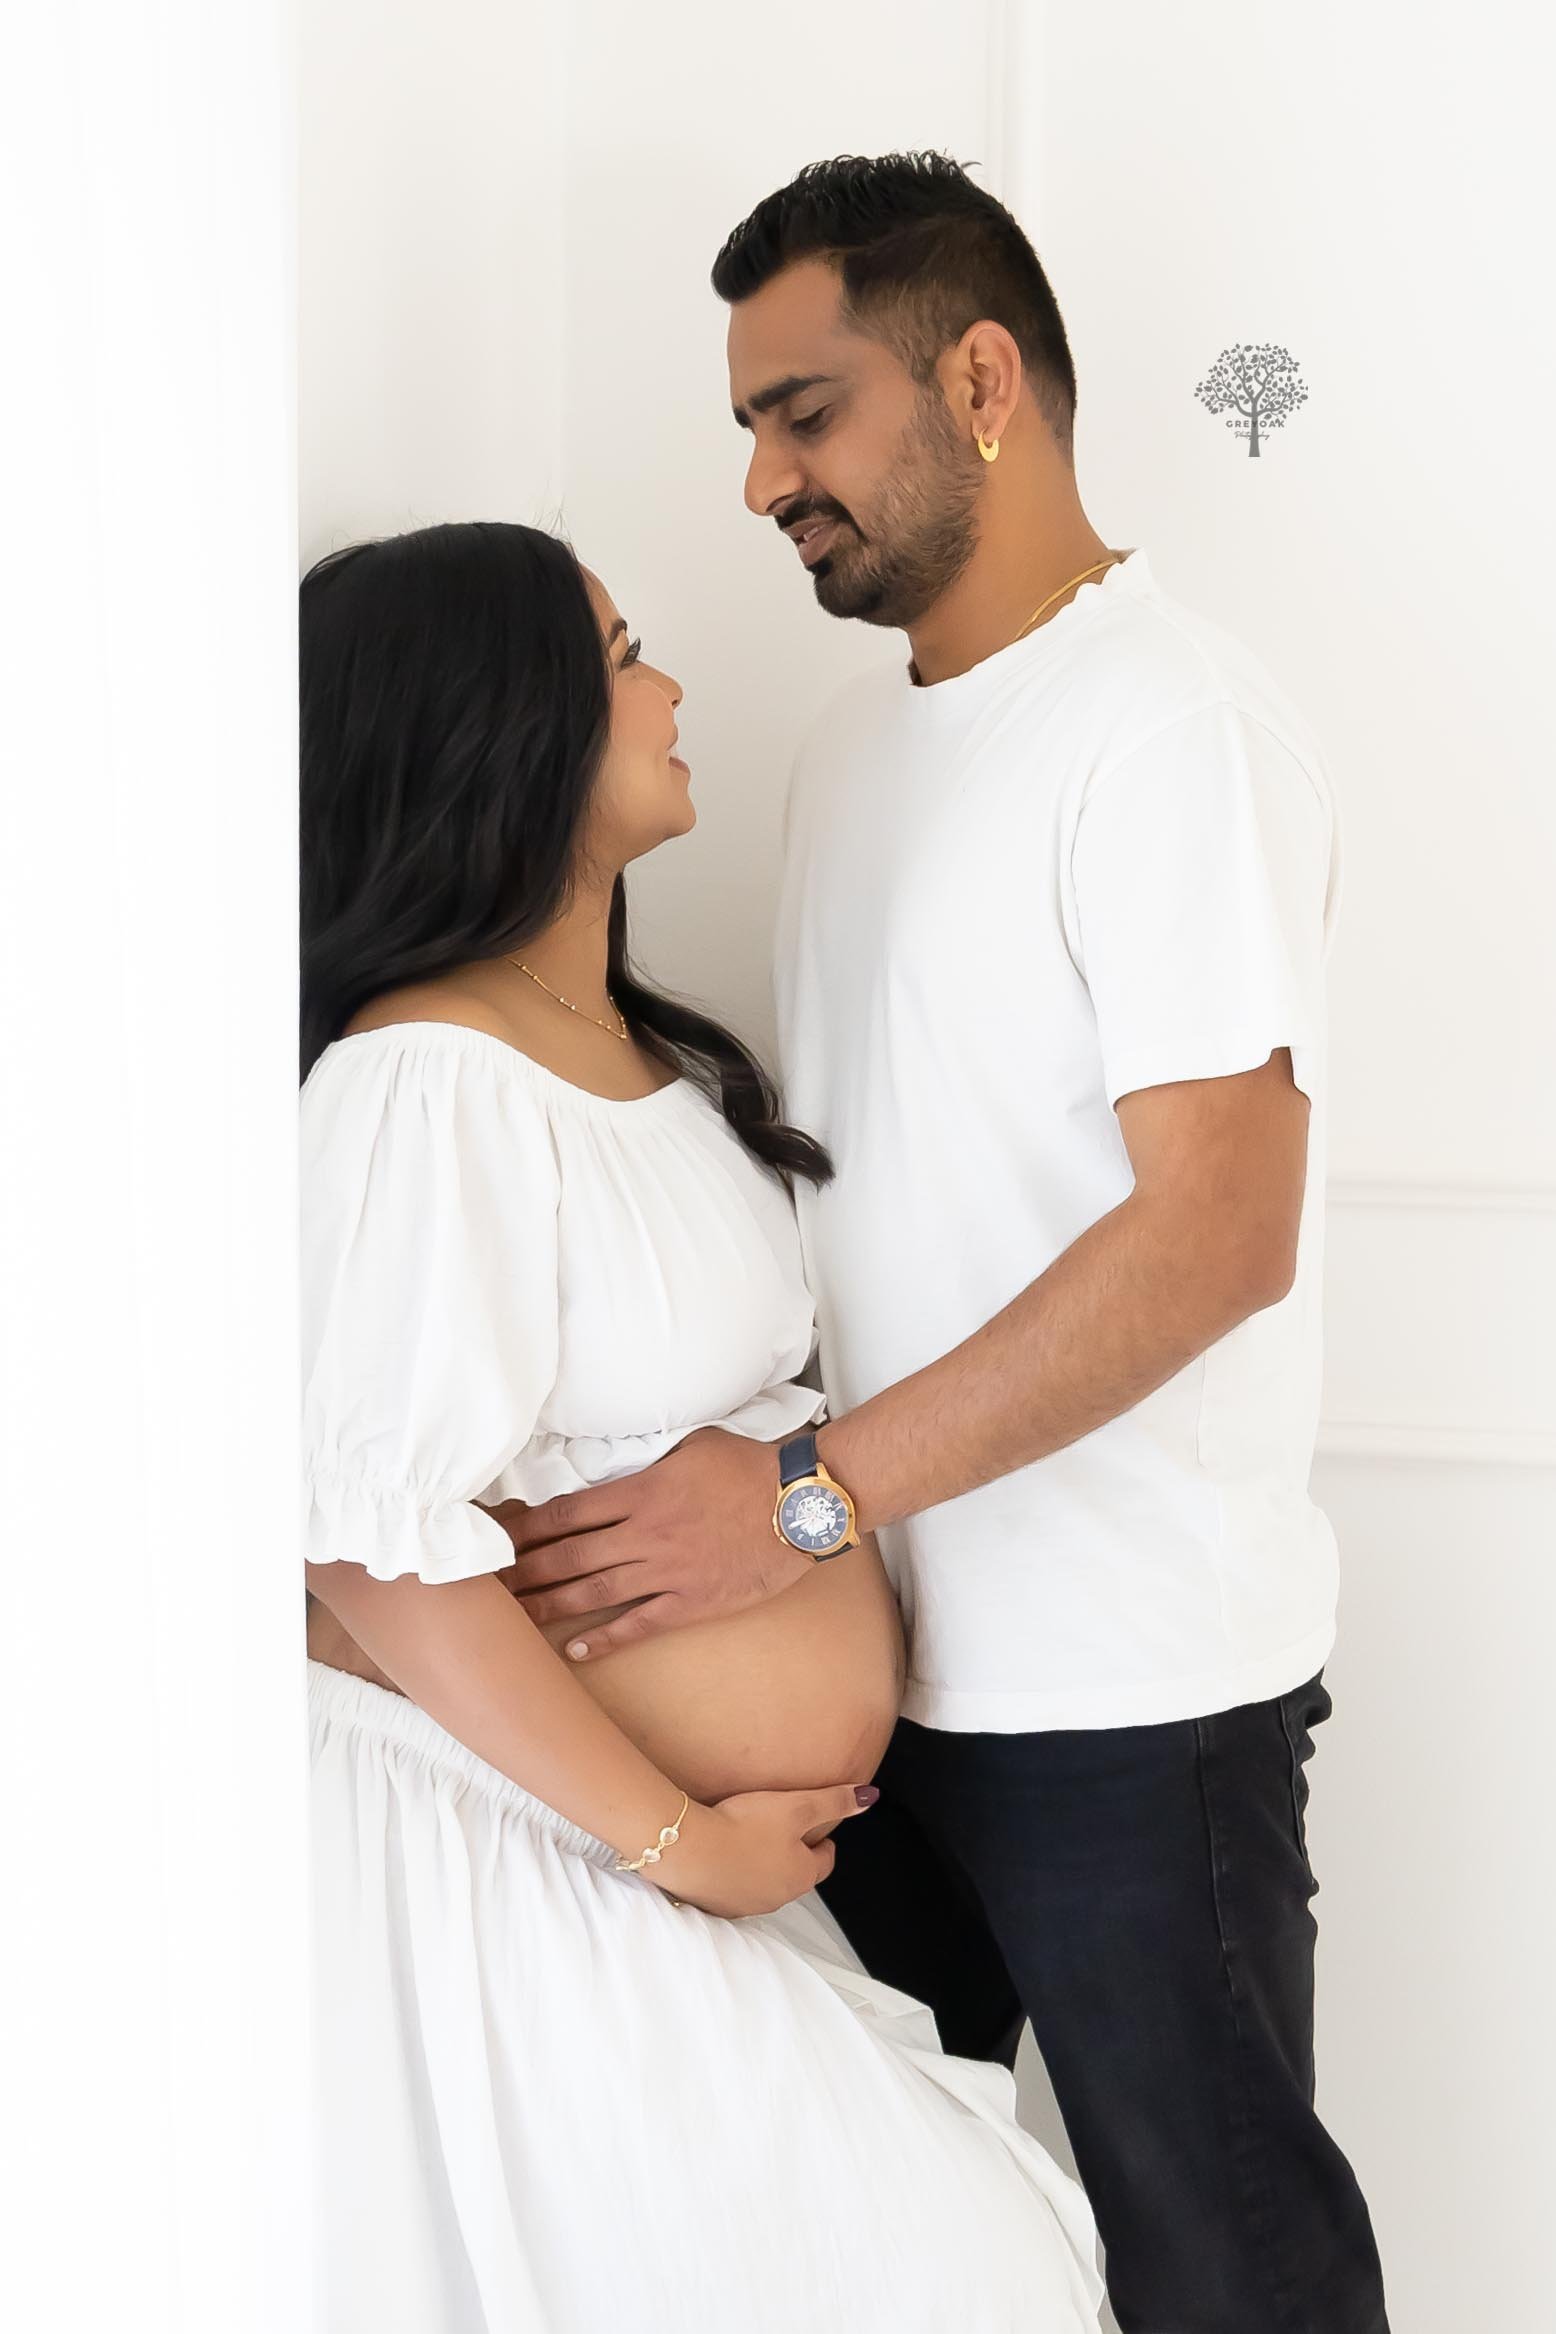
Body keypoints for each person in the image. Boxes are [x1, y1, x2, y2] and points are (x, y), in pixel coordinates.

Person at [496, 155, 1391, 2333]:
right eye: (749, 427)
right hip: (890, 1682)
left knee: (1230, 2273)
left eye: (803, 414)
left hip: (1131, 1700)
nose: (758, 482)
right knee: (875, 2246)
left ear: (982, 382)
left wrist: (800, 1496)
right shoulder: (850, 754)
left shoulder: (1166, 727)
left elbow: (1218, 1233)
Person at [299, 517, 1102, 2332]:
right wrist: (677, 1840)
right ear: (500, 728)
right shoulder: (426, 1078)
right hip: (527, 1852)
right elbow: (368, 1546)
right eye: (619, 657)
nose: (668, 687)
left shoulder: (637, 1052)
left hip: (652, 1854)